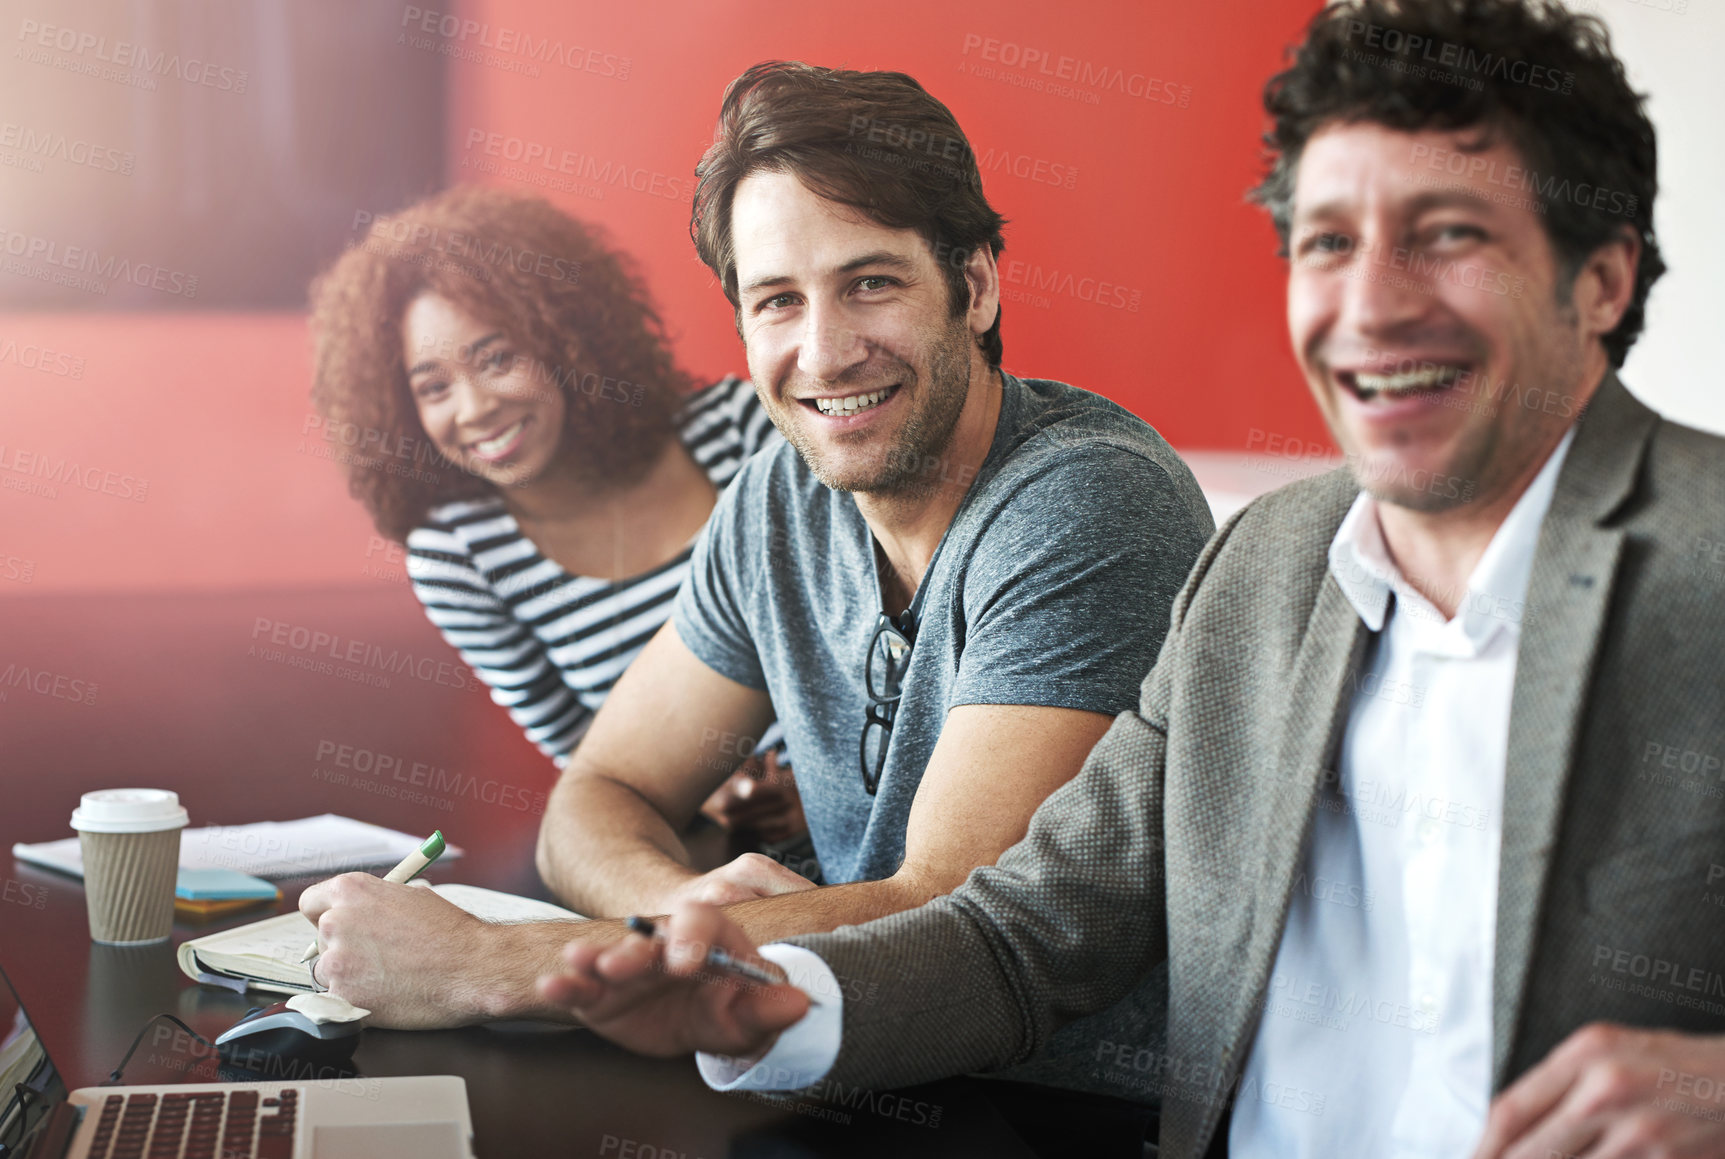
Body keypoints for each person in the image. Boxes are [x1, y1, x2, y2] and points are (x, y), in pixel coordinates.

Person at [536, 3, 1725, 1157]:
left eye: (1452, 235)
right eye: (1327, 243)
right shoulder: (1261, 566)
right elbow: (1033, 927)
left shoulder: (1705, 559)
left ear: (1603, 282)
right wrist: (770, 998)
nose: (1372, 306)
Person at [300, 62, 1215, 1132]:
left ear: (976, 286)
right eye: (779, 300)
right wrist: (683, 930)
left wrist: (490, 963)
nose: (823, 353)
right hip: (821, 1069)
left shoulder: (1088, 500)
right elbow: (599, 793)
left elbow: (957, 919)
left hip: (1047, 1106)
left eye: (872, 282)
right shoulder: (783, 488)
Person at [308, 186, 807, 848]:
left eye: (496, 358)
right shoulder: (458, 554)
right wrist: (713, 795)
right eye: (433, 387)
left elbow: (873, 632)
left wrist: (823, 786)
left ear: (568, 342)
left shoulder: (734, 430)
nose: (474, 406)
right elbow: (586, 758)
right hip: (712, 846)